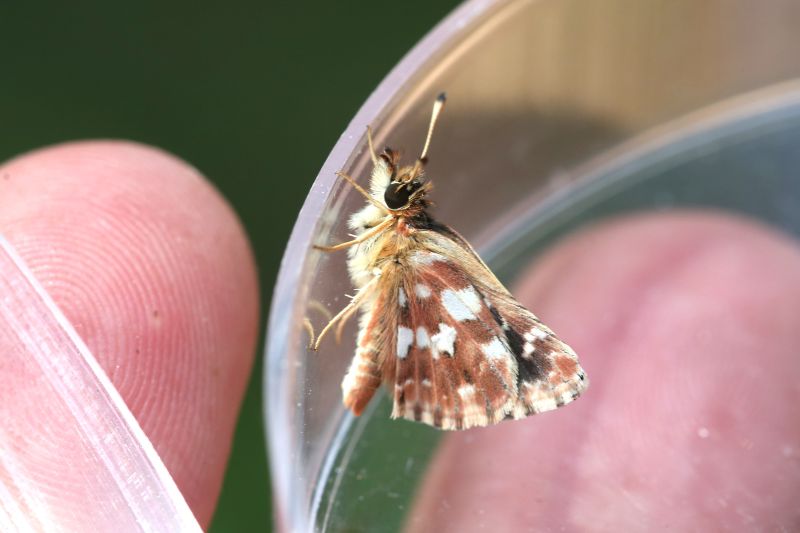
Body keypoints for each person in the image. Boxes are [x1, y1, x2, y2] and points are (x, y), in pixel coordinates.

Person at [2, 141, 798, 530]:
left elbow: (369, 251)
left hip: (405, 345)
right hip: (392, 329)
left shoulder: (413, 243)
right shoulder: (400, 233)